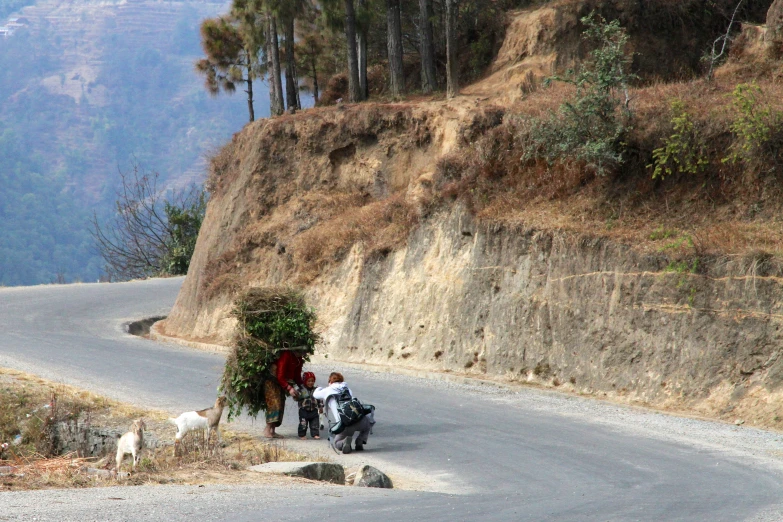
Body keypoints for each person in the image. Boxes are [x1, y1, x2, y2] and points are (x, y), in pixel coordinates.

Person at [313, 372, 372, 454]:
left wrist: (319, 388)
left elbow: (315, 395)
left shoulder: (327, 390)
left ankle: (344, 442)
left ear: (330, 381)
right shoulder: (347, 389)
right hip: (359, 419)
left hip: (345, 424)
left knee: (337, 443)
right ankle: (359, 442)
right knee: (369, 422)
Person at [263, 349, 304, 439]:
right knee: (275, 404)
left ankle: (273, 431)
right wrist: (289, 388)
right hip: (272, 380)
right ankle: (267, 429)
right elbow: (280, 375)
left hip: (282, 383)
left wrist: (303, 387)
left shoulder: (299, 359)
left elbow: (297, 376)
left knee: (281, 404)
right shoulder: (286, 355)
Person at [298, 372, 324, 440]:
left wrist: (321, 407)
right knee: (303, 424)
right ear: (305, 381)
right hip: (303, 410)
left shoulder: (316, 390)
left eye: (312, 381)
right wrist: (296, 394)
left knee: (315, 423)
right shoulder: (301, 390)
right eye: (308, 381)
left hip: (314, 410)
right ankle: (302, 434)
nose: (310, 383)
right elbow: (296, 397)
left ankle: (315, 434)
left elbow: (320, 399)